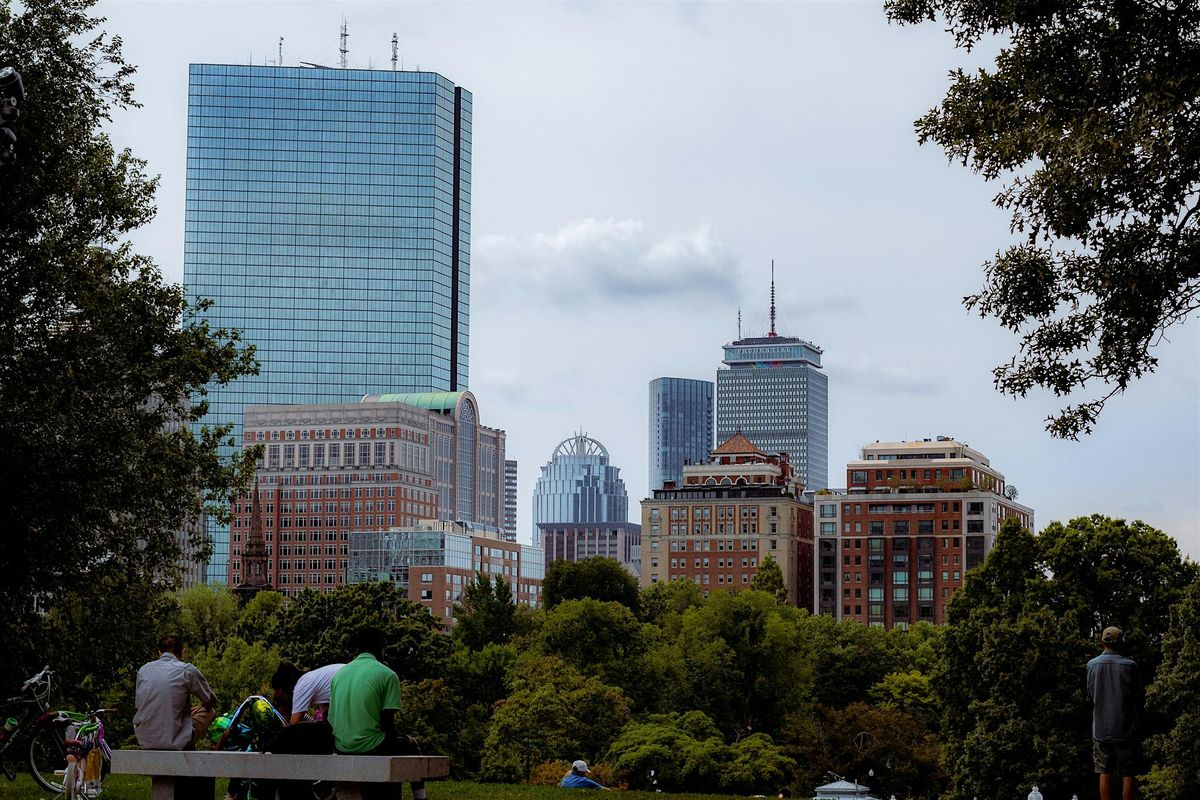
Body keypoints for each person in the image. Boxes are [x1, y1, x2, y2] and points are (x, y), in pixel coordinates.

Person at [328, 626, 425, 800]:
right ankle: (420, 796)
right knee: (411, 744)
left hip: (341, 747)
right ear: (380, 647)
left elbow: (332, 719)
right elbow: (388, 724)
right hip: (371, 747)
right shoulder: (387, 675)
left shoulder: (339, 675)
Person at [133, 633, 218, 800]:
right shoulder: (187, 669)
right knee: (209, 712)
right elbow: (210, 701)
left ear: (159, 653)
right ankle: (188, 749)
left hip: (146, 739)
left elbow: (143, 704)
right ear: (182, 651)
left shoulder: (143, 670)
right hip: (175, 741)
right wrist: (199, 706)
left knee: (177, 714)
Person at [1087, 626, 1143, 800]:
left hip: (1101, 728)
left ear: (1102, 642)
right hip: (1125, 727)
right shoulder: (1130, 665)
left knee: (1104, 770)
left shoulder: (1091, 665)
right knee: (1128, 772)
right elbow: (1137, 695)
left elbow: (1090, 693)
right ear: (1121, 643)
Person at [271, 660, 345, 724]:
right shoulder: (313, 681)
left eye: (279, 691)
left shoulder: (301, 686)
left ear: (285, 687)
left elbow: (293, 726)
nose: (279, 695)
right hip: (350, 675)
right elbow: (327, 718)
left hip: (349, 680)